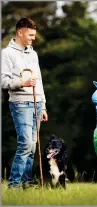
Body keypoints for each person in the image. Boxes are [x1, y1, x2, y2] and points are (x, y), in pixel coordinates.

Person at [1, 17, 48, 189]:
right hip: (20, 104)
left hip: (36, 103)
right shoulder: (6, 54)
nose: (33, 38)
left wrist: (43, 106)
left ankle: (27, 183)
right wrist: (22, 83)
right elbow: (2, 81)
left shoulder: (33, 54)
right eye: (30, 34)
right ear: (20, 32)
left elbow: (39, 81)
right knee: (26, 143)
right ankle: (13, 185)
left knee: (33, 146)